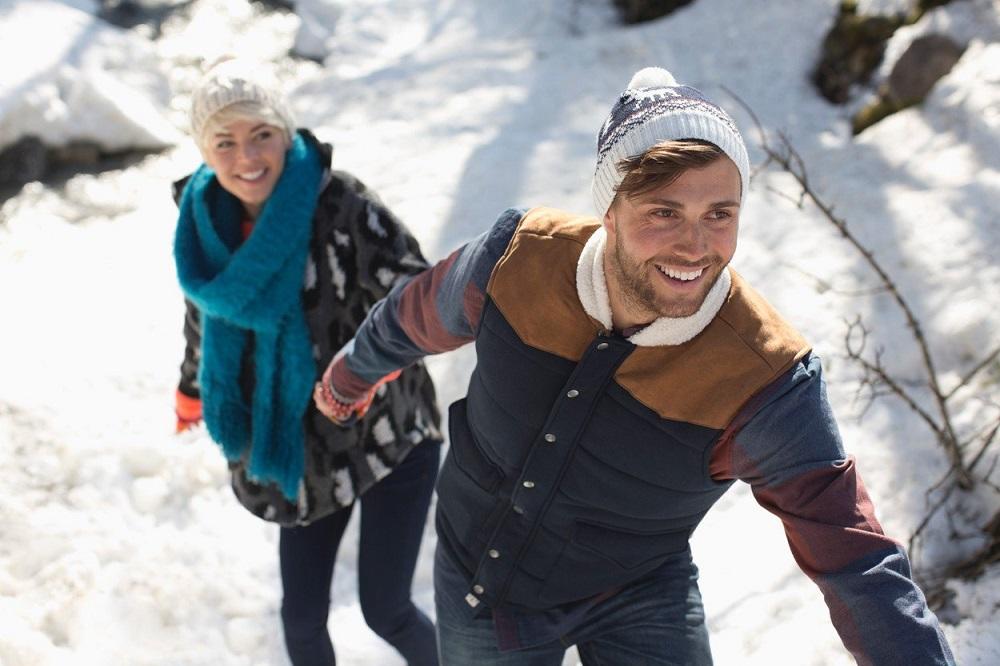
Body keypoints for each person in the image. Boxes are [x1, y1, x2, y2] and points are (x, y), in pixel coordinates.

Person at [313, 67, 956, 665]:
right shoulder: (519, 257)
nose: (696, 245)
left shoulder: (765, 379)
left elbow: (857, 562)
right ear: (610, 210)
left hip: (639, 589)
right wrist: (351, 375)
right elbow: (413, 315)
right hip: (482, 579)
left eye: (720, 215)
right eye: (663, 212)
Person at [172, 58, 443, 666]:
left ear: (286, 132)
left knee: (387, 609)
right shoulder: (204, 224)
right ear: (205, 153)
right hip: (301, 453)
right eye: (225, 141)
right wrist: (192, 390)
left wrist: (372, 367)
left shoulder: (339, 203)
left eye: (261, 134)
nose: (247, 156)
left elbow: (419, 292)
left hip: (388, 438)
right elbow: (204, 318)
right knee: (300, 623)